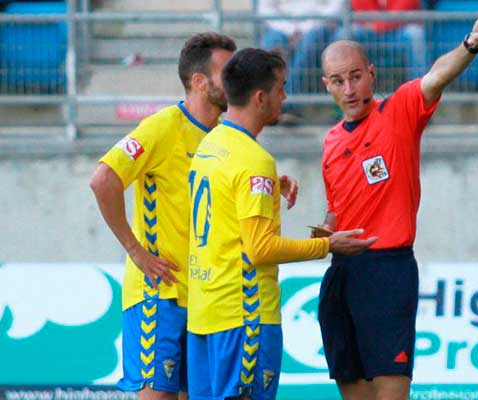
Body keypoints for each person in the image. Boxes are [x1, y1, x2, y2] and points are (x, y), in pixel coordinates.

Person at [316, 6, 478, 400]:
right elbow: (336, 207)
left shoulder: (397, 112)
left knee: (391, 388)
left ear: (372, 74)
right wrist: (326, 231)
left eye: (356, 76)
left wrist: (470, 45)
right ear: (326, 85)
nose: (349, 89)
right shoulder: (330, 142)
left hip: (387, 270)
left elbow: (436, 75)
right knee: (353, 388)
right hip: (340, 270)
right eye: (338, 80)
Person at [185, 48, 377, 400]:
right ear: (261, 97)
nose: (285, 96)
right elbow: (261, 249)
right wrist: (327, 245)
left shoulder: (210, 144)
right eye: (281, 88)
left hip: (203, 316)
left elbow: (225, 206)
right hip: (243, 317)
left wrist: (270, 185)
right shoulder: (254, 160)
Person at [89, 32, 236, 400]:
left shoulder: (225, 137)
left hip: (204, 298)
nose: (237, 81)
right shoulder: (162, 126)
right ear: (200, 82)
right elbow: (103, 179)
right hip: (160, 295)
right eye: (227, 72)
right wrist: (136, 251)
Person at [259, 0, 343, 95]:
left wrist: (303, 29)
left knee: (310, 41)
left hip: (318, 25)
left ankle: (288, 98)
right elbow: (264, 8)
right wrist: (290, 30)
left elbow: (335, 7)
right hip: (281, 26)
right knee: (271, 42)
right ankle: (270, 98)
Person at [343, 0, 427, 80]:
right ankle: (346, 86)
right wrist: (379, 23)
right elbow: (360, 7)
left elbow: (401, 11)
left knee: (415, 33)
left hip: (397, 31)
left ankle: (420, 89)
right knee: (346, 33)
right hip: (369, 32)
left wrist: (379, 25)